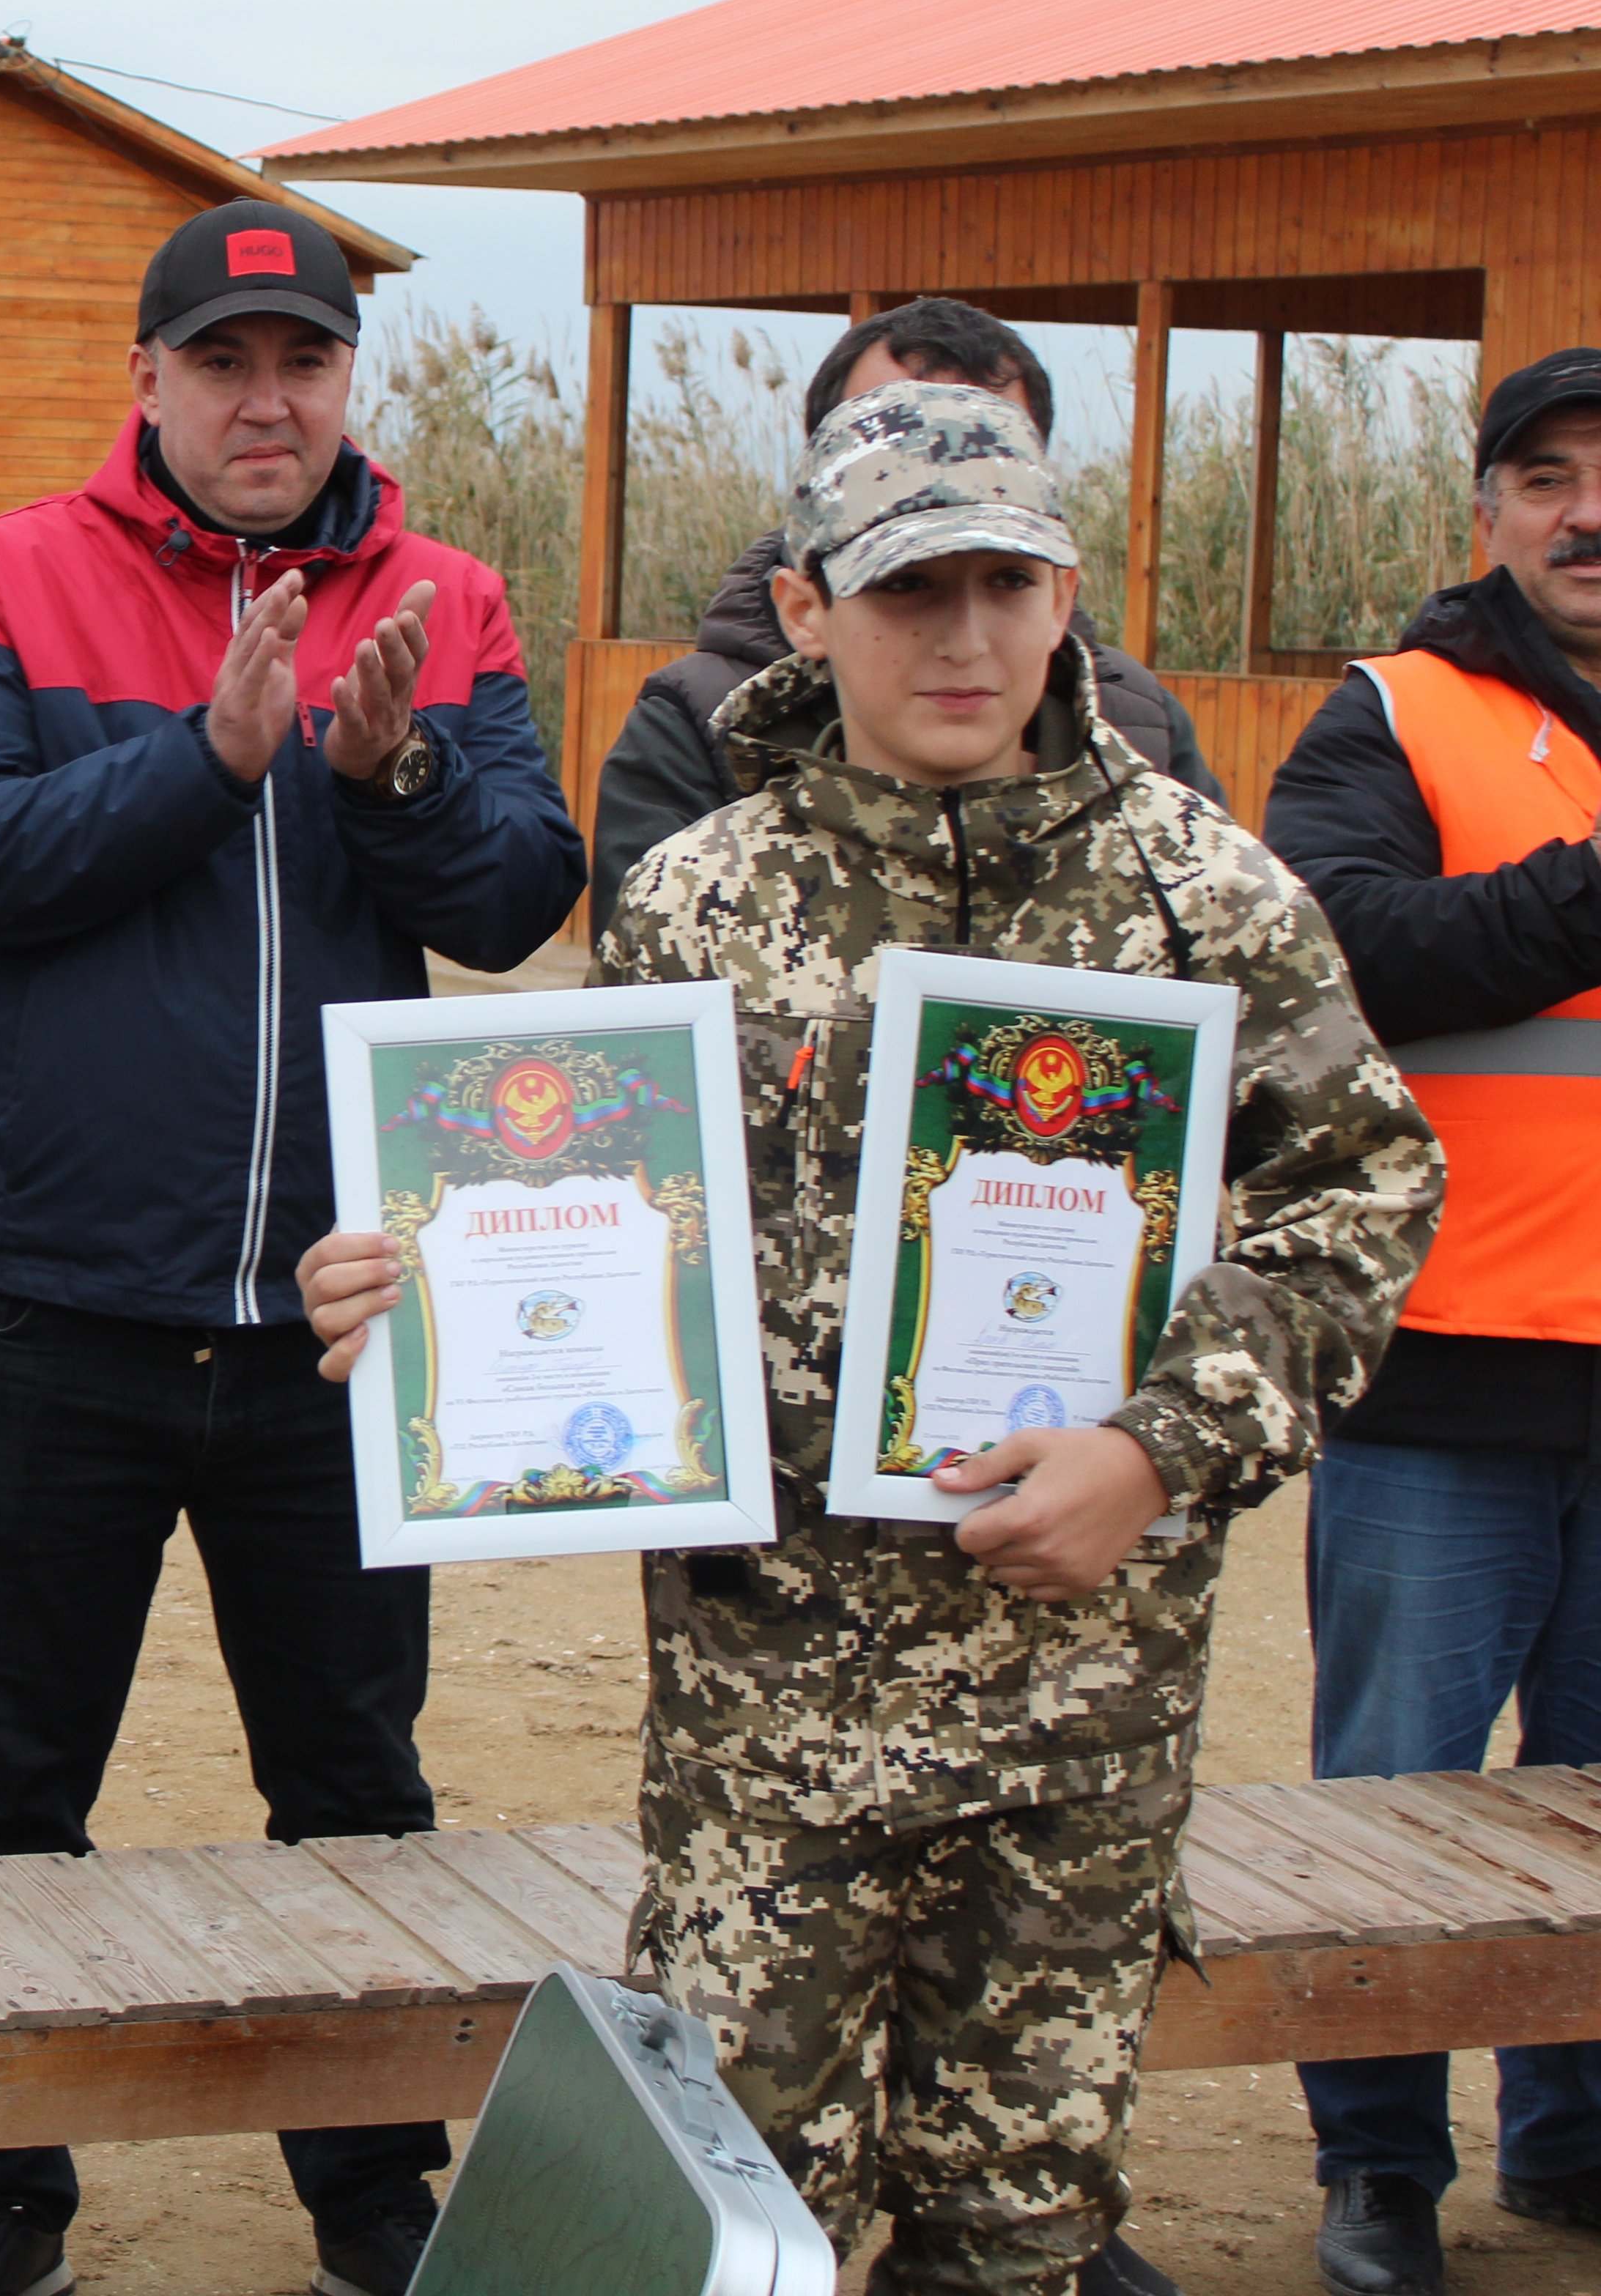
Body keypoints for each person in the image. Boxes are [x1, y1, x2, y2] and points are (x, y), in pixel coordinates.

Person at [313, 380, 1432, 2294]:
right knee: (739, 2221)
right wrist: (417, 1293)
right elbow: (586, 1223)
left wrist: (1159, 1447)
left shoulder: (1204, 898)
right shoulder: (700, 903)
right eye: (913, 589)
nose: (967, 636)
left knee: (1021, 2234)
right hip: (771, 1728)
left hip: (1081, 1729)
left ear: (1066, 598)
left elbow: (1362, 1195)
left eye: (1009, 584)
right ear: (809, 606)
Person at [0, 198, 586, 2296]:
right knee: (8, 1783)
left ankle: (371, 2195)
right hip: (52, 1300)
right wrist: (208, 759)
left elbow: (515, 897)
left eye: (303, 361)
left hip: (339, 1321)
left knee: (353, 1779)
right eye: (221, 362)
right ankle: (1, 2190)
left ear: (347, 380)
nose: (265, 401)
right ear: (147, 379)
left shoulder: (444, 597)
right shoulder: (5, 575)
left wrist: (390, 768)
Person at [1259, 348, 1601, 2296]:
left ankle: (1575, 2145)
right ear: (1487, 515)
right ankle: (1378, 2166)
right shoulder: (1394, 712)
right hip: (1445, 1363)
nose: (1586, 512)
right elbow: (1348, 950)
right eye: (1545, 477)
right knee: (1395, 1804)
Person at [583, 297, 1221, 937]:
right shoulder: (698, 777)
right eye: (888, 428)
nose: (964, 641)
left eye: (988, 438)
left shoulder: (1156, 761)